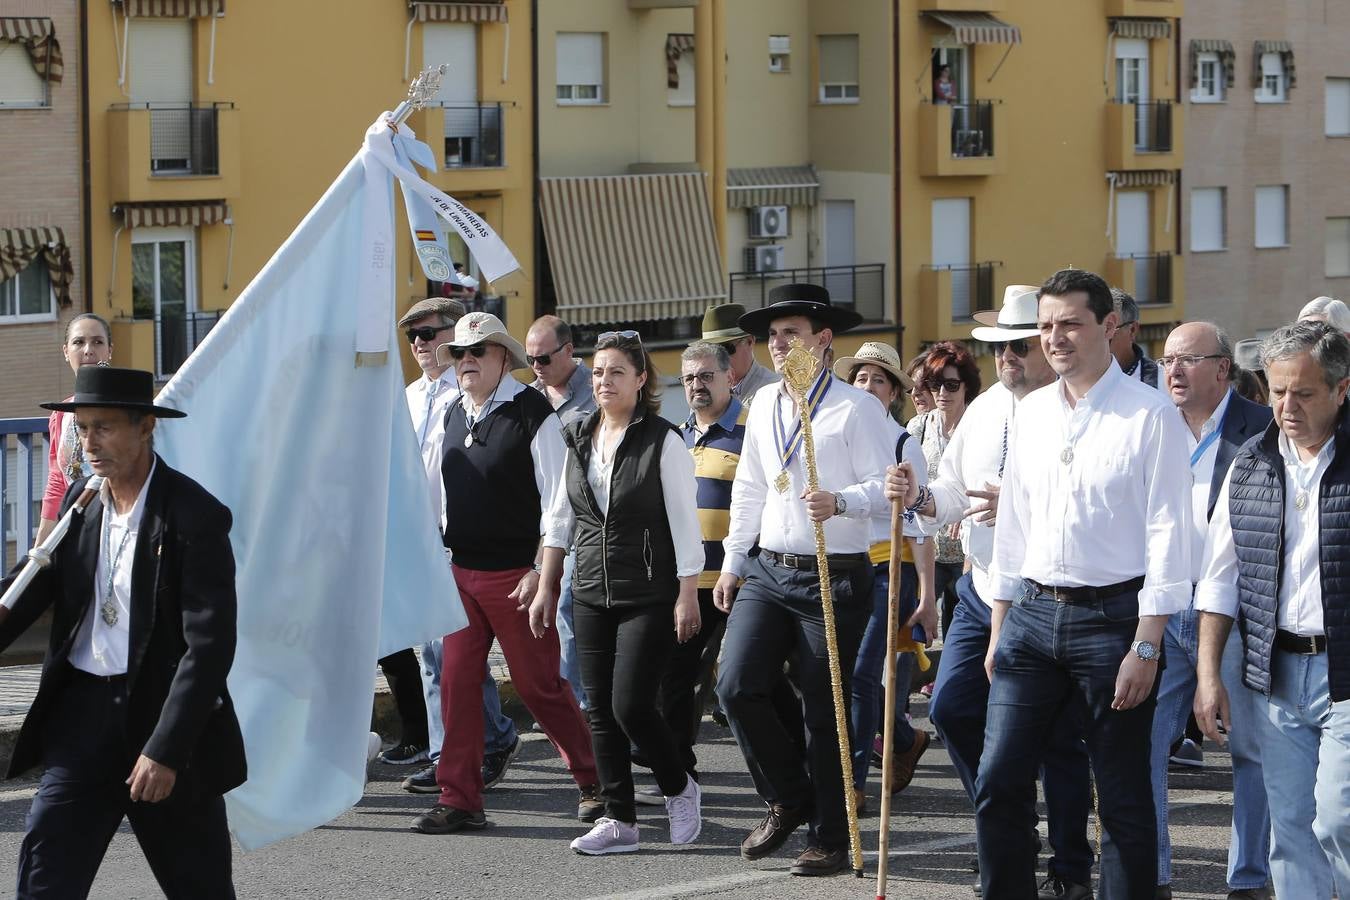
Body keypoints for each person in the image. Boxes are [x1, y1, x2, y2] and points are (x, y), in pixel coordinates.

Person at [977, 268, 1192, 898]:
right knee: (999, 781)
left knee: (1122, 798)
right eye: (1045, 325)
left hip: (1115, 623)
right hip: (1031, 620)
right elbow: (1013, 525)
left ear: (1108, 326)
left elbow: (1169, 534)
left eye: (1070, 323)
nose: (1055, 337)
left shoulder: (1151, 416)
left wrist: (1147, 645)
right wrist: (1000, 625)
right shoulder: (1033, 413)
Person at [0, 365, 244, 897]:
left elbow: (208, 647)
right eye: (81, 428)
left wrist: (167, 749)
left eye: (103, 427)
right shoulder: (82, 505)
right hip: (82, 720)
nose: (89, 442)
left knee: (197, 884)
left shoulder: (192, 516)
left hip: (162, 720)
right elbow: (31, 586)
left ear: (144, 427)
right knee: (46, 875)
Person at [887, 284, 1094, 898]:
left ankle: (1070, 867)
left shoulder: (1073, 410)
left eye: (1020, 344)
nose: (1008, 356)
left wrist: (1028, 504)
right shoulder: (980, 412)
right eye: (1001, 345)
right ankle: (1007, 829)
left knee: (1058, 738)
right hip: (980, 589)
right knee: (950, 708)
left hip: (1046, 594)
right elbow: (951, 490)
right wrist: (920, 496)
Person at [714, 284, 895, 877]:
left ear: (822, 341)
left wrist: (841, 502)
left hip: (834, 576)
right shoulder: (764, 404)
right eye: (772, 335)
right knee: (736, 684)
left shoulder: (856, 408)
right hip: (770, 568)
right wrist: (734, 562)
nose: (779, 343)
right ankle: (790, 795)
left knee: (827, 712)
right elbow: (751, 488)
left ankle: (831, 836)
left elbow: (893, 486)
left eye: (790, 332)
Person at [410, 312, 600, 835]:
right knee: (456, 684)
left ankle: (593, 779)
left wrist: (542, 570)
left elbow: (559, 500)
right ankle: (460, 797)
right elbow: (432, 495)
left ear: (503, 359)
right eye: (459, 354)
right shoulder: (450, 412)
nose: (465, 361)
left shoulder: (531, 411)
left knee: (538, 686)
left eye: (478, 352)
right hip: (460, 572)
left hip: (518, 573)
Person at [1194, 320, 1350, 899]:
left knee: (1338, 820)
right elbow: (1218, 582)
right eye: (1278, 390)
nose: (1286, 405)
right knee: (1290, 830)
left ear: (1342, 389)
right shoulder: (1250, 465)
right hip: (1275, 675)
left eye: (1304, 393)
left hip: (1345, 676)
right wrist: (1210, 676)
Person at [537, 330, 705, 855]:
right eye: (599, 371)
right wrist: (547, 585)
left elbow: (684, 522)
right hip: (588, 588)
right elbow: (560, 519)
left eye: (616, 371)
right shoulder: (578, 435)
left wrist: (687, 593)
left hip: (649, 592)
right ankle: (619, 820)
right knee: (599, 712)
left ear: (640, 379)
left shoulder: (663, 439)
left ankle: (679, 786)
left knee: (630, 703)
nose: (604, 380)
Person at [1148, 322, 1273, 900]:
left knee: (1250, 749)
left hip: (1233, 612)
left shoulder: (1263, 429)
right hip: (1158, 607)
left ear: (1223, 368)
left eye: (1188, 359)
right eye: (1167, 359)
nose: (1173, 370)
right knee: (1140, 747)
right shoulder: (1147, 424)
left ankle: (1248, 878)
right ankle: (1154, 874)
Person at [394, 298, 521, 796]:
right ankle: (451, 750)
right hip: (416, 534)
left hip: (458, 537)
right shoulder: (408, 396)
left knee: (451, 652)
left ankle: (481, 742)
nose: (422, 345)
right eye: (414, 337)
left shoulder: (470, 392)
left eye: (429, 334)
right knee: (432, 650)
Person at [831, 341, 937, 812]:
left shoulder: (903, 442)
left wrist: (929, 594)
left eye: (878, 379)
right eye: (860, 378)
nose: (868, 386)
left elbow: (921, 521)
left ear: (894, 392)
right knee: (842, 671)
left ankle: (851, 782)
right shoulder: (838, 433)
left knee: (861, 673)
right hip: (841, 565)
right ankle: (903, 738)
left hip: (889, 568)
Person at [526, 314, 597, 714]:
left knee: (567, 604)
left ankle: (578, 706)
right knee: (543, 610)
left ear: (569, 350)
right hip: (540, 523)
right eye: (531, 359)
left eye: (544, 359)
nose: (537, 366)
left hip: (582, 522)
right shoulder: (529, 396)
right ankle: (560, 699)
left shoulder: (597, 389)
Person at [907, 341, 980, 640]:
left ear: (966, 387)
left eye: (951, 385)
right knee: (910, 628)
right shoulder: (917, 428)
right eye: (935, 385)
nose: (941, 393)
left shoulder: (980, 427)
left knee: (959, 633)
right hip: (928, 549)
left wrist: (964, 513)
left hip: (968, 552)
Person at [37, 313, 114, 544]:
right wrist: (41, 544)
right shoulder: (60, 415)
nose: (88, 350)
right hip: (76, 532)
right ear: (65, 352)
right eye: (79, 342)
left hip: (118, 529)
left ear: (110, 350)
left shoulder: (127, 410)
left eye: (98, 342)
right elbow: (57, 482)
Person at [699, 303, 779, 404]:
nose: (717, 358)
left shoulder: (773, 389)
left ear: (750, 341)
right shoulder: (703, 389)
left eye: (725, 349)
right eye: (709, 351)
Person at [1109, 288, 1160, 387]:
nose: (1098, 338)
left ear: (1132, 330)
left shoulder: (1163, 382)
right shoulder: (1073, 381)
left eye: (1109, 328)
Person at [906, 351, 935, 418]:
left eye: (922, 385)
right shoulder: (907, 428)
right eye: (910, 388)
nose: (914, 393)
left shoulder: (961, 427)